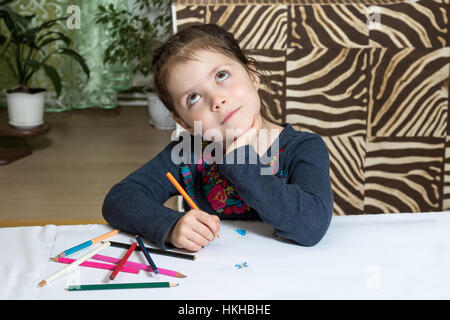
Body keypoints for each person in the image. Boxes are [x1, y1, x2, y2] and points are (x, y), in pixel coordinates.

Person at [102, 24, 334, 252]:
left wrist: (240, 162)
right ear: (184, 123)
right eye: (193, 97)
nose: (217, 99)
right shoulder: (188, 153)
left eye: (221, 75)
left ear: (252, 74)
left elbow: (311, 226)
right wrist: (170, 225)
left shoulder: (303, 148)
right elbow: (119, 199)